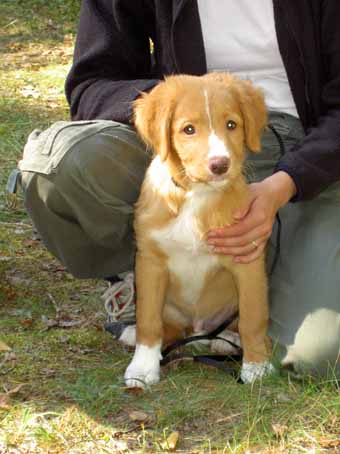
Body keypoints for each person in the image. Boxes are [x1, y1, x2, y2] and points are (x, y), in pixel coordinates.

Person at [16, 0, 340, 376]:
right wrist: (177, 107)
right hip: (184, 142)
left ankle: (249, 290)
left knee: (320, 355)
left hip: (313, 148)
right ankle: (148, 283)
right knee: (57, 165)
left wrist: (288, 182)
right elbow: (91, 83)